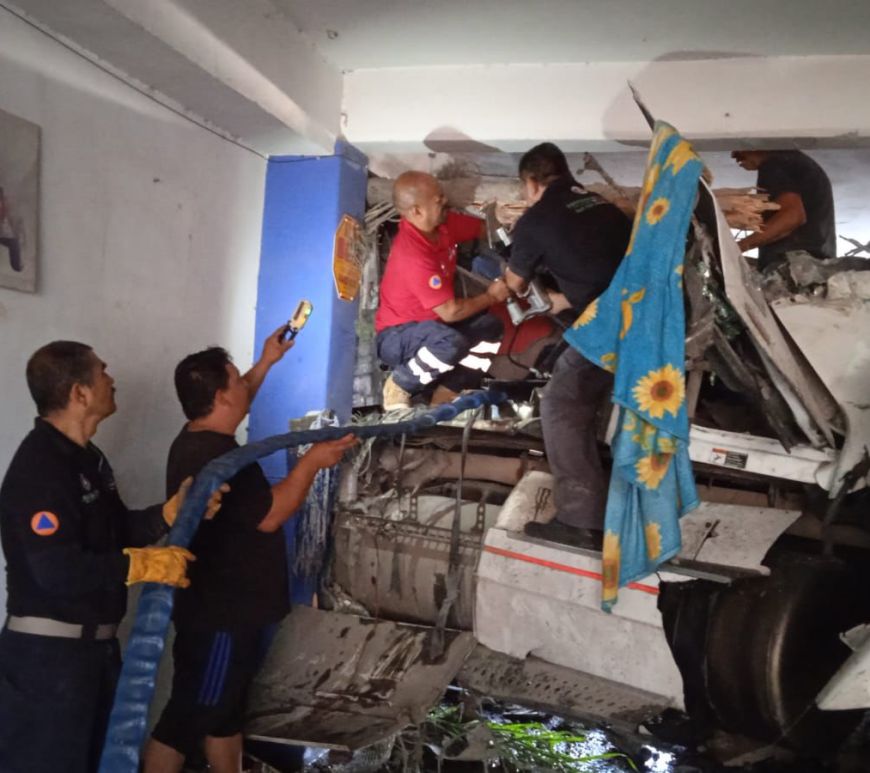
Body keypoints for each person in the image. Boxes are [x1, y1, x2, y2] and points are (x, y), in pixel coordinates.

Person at [0, 340, 222, 773]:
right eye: (102, 372)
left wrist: (167, 514)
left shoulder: (88, 459)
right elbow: (56, 571)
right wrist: (141, 565)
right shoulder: (39, 467)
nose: (112, 380)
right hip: (47, 663)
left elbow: (115, 529)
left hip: (95, 655)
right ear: (79, 393)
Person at [144, 330, 356, 773]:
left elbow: (238, 398)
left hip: (221, 611)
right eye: (238, 380)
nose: (246, 385)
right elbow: (271, 514)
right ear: (221, 397)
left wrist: (267, 361)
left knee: (225, 715)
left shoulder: (197, 435)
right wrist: (311, 463)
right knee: (187, 718)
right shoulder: (216, 459)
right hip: (221, 617)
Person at [504, 143, 631, 548]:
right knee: (575, 379)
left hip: (608, 326)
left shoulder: (535, 220)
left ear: (531, 182)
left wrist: (505, 273)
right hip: (636, 316)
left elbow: (513, 284)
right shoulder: (605, 207)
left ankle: (581, 521)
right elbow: (598, 267)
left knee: (560, 404)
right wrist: (563, 299)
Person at [376, 171, 510, 410]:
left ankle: (447, 392)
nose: (446, 201)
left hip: (434, 328)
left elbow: (484, 230)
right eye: (438, 200)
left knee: (491, 327)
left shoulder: (443, 225)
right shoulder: (413, 254)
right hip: (397, 336)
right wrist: (491, 296)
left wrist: (512, 247)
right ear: (417, 211)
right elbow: (450, 312)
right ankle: (400, 385)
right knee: (449, 341)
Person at [731, 149, 836, 272]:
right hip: (813, 268)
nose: (734, 155)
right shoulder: (795, 163)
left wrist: (738, 247)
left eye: (737, 147)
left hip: (794, 269)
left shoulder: (774, 165)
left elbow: (792, 216)